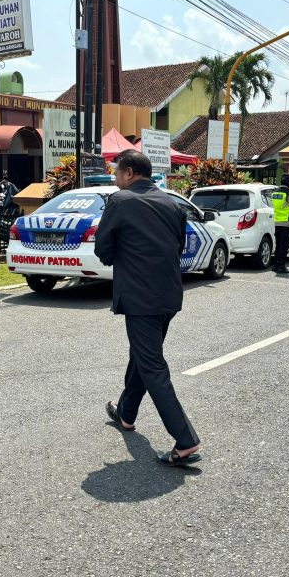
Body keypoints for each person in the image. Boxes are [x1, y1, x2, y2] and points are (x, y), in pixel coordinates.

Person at [95, 149, 201, 467]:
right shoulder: (171, 202)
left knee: (152, 364)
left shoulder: (120, 201)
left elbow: (102, 248)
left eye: (116, 173)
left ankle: (185, 441)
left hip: (140, 297)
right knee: (143, 356)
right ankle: (126, 412)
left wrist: (123, 259)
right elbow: (179, 245)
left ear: (129, 173)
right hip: (168, 294)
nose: (115, 180)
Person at [270, 174, 289, 274]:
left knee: (278, 245)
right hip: (287, 223)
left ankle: (275, 265)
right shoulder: (288, 193)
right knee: (284, 245)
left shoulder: (275, 192)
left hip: (277, 222)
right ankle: (281, 266)